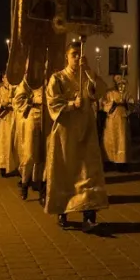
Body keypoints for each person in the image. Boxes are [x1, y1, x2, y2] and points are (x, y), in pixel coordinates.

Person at [44, 41, 109, 232]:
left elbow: (102, 91)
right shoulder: (57, 78)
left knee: (89, 173)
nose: (77, 58)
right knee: (65, 172)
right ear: (67, 56)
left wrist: (89, 71)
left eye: (80, 55)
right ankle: (62, 211)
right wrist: (72, 104)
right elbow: (52, 103)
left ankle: (89, 216)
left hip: (86, 132)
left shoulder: (87, 76)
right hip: (66, 133)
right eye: (73, 54)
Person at [14, 78, 46, 201]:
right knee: (29, 154)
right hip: (32, 117)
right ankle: (24, 183)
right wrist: (32, 101)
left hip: (48, 117)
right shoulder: (28, 80)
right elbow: (18, 101)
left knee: (46, 154)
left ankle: (43, 189)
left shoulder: (51, 77)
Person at [101, 75, 132, 170]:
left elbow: (131, 103)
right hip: (112, 119)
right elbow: (104, 104)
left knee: (122, 140)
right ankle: (109, 161)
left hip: (122, 119)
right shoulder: (109, 93)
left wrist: (126, 104)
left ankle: (122, 163)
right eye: (117, 81)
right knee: (110, 140)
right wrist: (112, 104)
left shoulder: (126, 93)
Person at [0, 74, 18, 177]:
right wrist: (2, 105)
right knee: (3, 143)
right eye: (6, 77)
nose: (8, 80)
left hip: (14, 120)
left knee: (14, 143)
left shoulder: (16, 90)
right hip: (3, 121)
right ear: (3, 79)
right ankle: (3, 167)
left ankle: (15, 167)